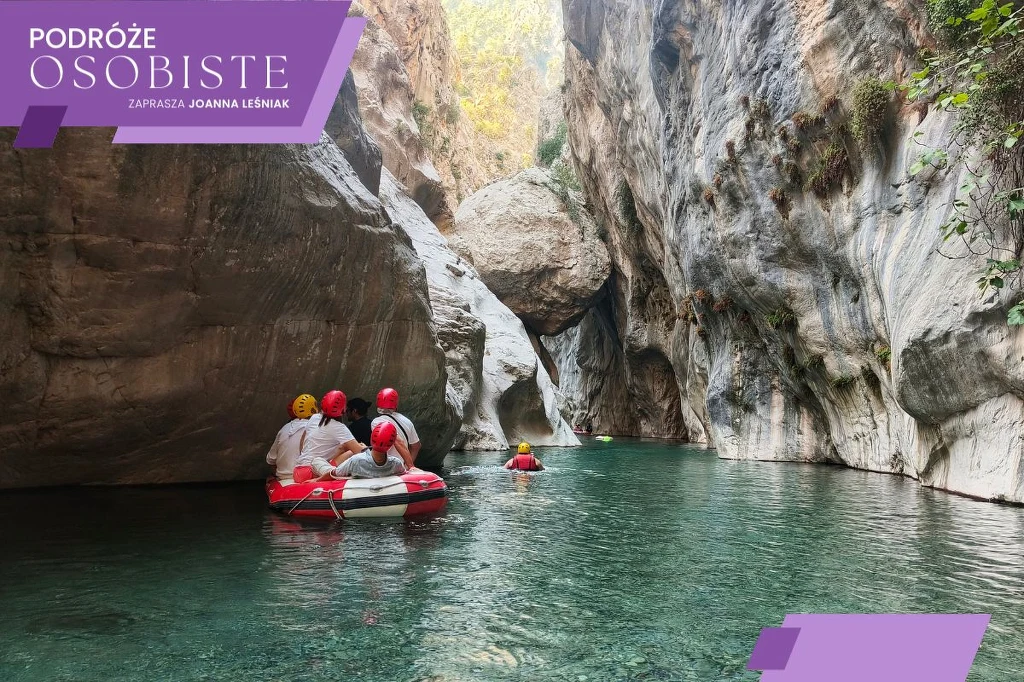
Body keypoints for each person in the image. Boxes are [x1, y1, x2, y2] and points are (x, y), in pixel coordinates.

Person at [293, 390, 364, 483]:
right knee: (352, 451)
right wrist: (363, 447)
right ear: (343, 409)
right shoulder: (339, 427)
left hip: (298, 470)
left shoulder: (314, 417)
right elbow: (359, 452)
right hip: (311, 472)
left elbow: (302, 441)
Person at [311, 421, 407, 480]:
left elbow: (334, 474)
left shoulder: (356, 461)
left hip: (343, 478)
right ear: (390, 445)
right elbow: (404, 473)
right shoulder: (396, 464)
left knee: (317, 461)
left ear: (372, 438)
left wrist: (317, 481)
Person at [266, 394, 318, 480]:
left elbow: (270, 459)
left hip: (283, 476)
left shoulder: (284, 429)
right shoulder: (316, 428)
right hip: (305, 476)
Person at [370, 388, 420, 470]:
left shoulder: (377, 422)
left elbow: (398, 441)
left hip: (387, 466)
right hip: (402, 467)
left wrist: (410, 466)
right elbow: (416, 446)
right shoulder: (406, 421)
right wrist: (407, 466)